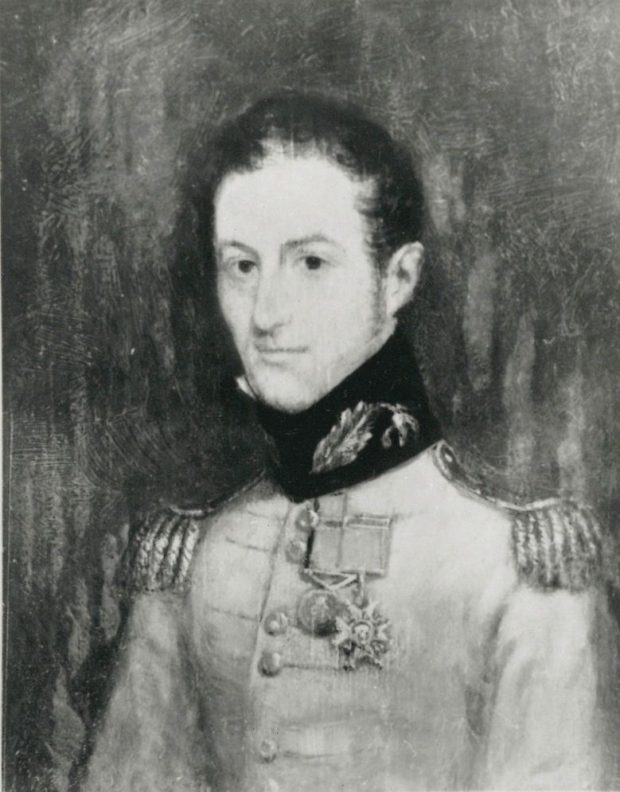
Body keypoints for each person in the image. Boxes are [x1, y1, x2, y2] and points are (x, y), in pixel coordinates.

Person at [82, 92, 620, 792]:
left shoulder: (516, 570)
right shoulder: (194, 562)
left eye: (310, 263)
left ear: (398, 279)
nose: (267, 315)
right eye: (242, 266)